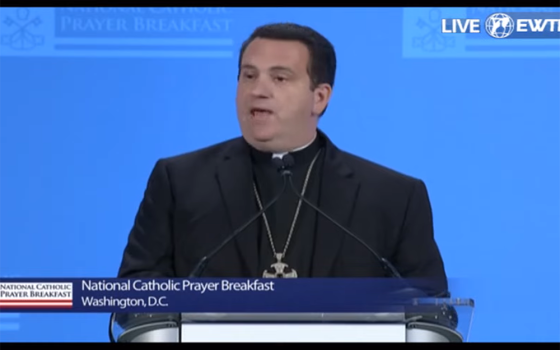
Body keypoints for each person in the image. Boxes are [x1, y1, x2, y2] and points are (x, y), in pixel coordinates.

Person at [117, 22, 448, 294]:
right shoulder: (179, 180)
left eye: (279, 77)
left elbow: (431, 310)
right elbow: (136, 289)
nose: (258, 90)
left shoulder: (393, 197)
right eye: (248, 75)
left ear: (319, 98)